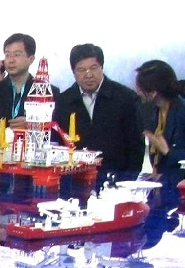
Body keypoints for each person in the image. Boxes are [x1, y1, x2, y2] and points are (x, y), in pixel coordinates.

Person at [52, 43, 145, 183]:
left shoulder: (125, 98)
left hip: (116, 178)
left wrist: (127, 180)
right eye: (81, 70)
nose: (88, 75)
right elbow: (57, 142)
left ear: (102, 67)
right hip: (74, 179)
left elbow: (136, 145)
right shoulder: (63, 101)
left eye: (93, 68)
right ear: (73, 72)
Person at [134, 59, 185, 189]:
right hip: (163, 184)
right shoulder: (157, 109)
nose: (137, 92)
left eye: (139, 89)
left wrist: (168, 151)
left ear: (153, 93)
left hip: (183, 187)